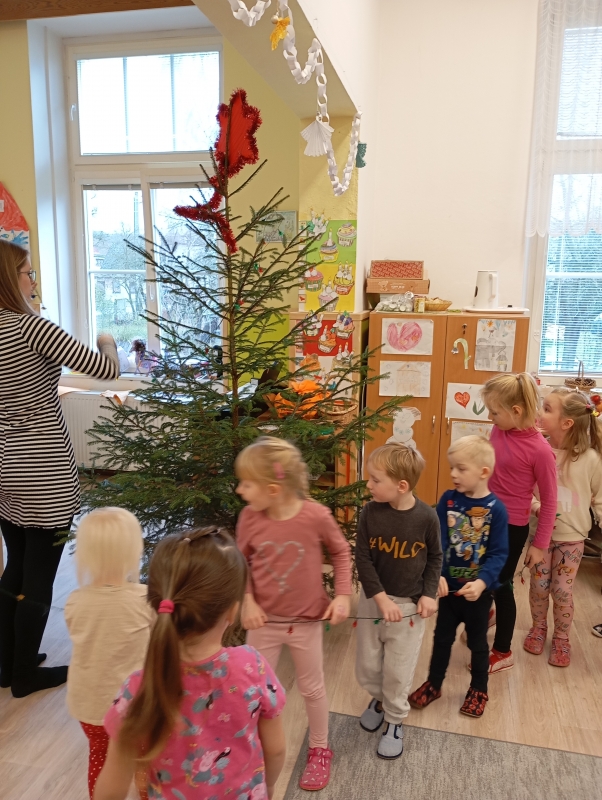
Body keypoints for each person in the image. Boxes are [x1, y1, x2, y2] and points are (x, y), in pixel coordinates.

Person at [0, 240, 120, 697]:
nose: (33, 280)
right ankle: (25, 676)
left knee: (15, 563)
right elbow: (104, 370)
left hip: (5, 464)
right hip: (43, 467)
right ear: (10, 278)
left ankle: (8, 666)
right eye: (27, 272)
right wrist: (107, 341)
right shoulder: (32, 328)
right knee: (39, 573)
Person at [95, 527, 286, 800]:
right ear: (232, 611)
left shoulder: (138, 688)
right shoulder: (252, 666)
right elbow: (276, 750)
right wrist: (269, 786)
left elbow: (112, 786)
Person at [235, 436, 352, 791]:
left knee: (312, 688)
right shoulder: (249, 518)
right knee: (255, 690)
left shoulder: (316, 516)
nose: (239, 490)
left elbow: (341, 552)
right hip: (264, 624)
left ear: (272, 489)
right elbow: (239, 561)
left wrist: (343, 595)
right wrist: (247, 600)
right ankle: (250, 749)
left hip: (306, 624)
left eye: (246, 483)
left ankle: (320, 748)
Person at [409, 436, 508, 718]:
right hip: (449, 593)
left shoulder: (496, 510)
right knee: (441, 640)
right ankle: (434, 684)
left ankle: (479, 689)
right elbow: (437, 541)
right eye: (452, 467)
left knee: (478, 644)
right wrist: (437, 575)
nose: (453, 473)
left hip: (478, 595)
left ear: (483, 472)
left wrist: (482, 582)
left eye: (461, 468)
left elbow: (499, 553)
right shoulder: (448, 501)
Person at [354, 443, 442, 759]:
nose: (369, 485)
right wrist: (380, 599)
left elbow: (435, 557)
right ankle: (380, 699)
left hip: (408, 609)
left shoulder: (427, 517)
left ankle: (394, 719)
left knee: (398, 670)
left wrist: (429, 594)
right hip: (372, 603)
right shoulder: (370, 512)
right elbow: (362, 558)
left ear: (401, 486)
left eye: (376, 480)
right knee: (367, 666)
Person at [64, 508, 155, 799]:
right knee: (146, 761)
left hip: (91, 706)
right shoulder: (145, 599)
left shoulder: (75, 601)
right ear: (133, 550)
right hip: (137, 706)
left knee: (100, 758)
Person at [481, 373, 557, 673]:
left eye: (494, 412)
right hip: (484, 519)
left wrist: (539, 545)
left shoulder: (541, 450)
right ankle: (488, 614)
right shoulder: (499, 429)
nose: (490, 417)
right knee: (482, 577)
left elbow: (549, 501)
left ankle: (502, 651)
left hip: (510, 529)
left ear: (516, 411)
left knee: (501, 586)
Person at [525, 389, 602, 667]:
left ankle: (561, 638)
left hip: (572, 540)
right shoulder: (538, 449)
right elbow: (525, 490)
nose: (539, 413)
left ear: (567, 422)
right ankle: (538, 628)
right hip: (540, 539)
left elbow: (599, 499)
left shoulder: (591, 459)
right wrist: (536, 506)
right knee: (538, 587)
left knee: (561, 591)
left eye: (547, 409)